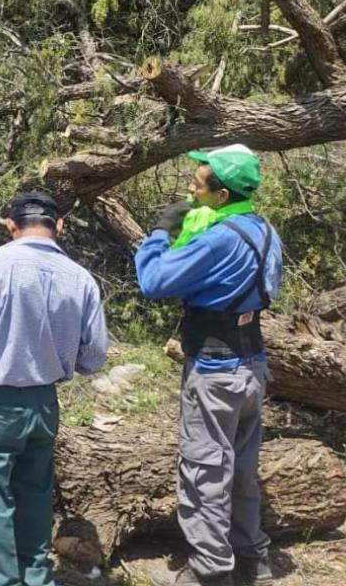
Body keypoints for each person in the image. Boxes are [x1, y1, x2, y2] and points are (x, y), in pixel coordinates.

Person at [0, 190, 108, 586]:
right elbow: (95, 355)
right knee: (35, 495)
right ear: (58, 226)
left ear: (11, 225)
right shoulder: (80, 278)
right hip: (45, 402)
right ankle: (36, 577)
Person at [138, 145, 282, 586]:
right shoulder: (263, 230)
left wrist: (161, 232)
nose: (188, 189)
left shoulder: (218, 239)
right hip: (252, 365)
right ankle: (252, 555)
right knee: (240, 467)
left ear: (221, 195)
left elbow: (154, 281)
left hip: (215, 371)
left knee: (204, 470)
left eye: (197, 185)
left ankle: (209, 571)